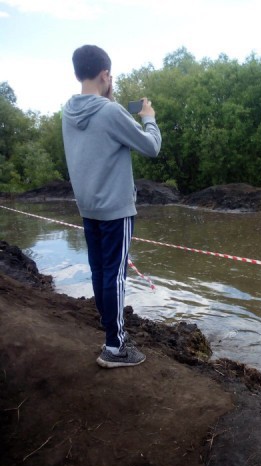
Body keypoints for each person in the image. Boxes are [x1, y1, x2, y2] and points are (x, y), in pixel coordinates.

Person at [62, 45, 162, 368]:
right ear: (105, 75)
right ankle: (115, 346)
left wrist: (113, 101)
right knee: (116, 275)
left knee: (100, 271)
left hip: (88, 207)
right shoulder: (111, 112)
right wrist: (148, 119)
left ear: (79, 73)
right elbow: (151, 147)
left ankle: (111, 333)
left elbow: (101, 132)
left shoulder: (69, 111)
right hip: (116, 209)